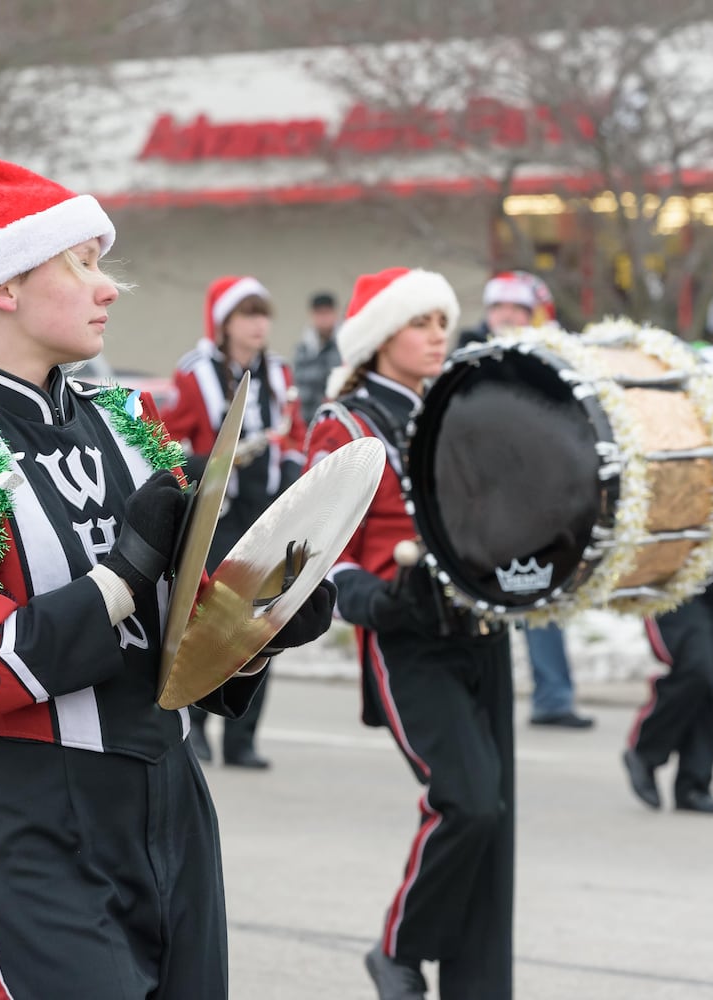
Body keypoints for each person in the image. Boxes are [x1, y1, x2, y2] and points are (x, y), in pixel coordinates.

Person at [0, 155, 335, 999]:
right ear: (2, 286)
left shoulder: (124, 423)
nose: (108, 286)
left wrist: (256, 627)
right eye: (81, 263)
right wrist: (122, 575)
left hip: (171, 796)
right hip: (40, 811)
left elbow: (177, 642)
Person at [307, 267, 514, 1000]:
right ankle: (398, 948)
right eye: (419, 323)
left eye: (441, 323)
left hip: (480, 629)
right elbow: (316, 548)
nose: (437, 336)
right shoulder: (344, 424)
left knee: (496, 821)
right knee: (467, 800)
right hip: (409, 636)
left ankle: (479, 984)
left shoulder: (454, 410)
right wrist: (373, 599)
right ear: (377, 337)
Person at [162, 275, 307, 769]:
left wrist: (289, 467)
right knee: (211, 621)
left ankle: (242, 739)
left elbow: (294, 435)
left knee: (265, 623)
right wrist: (209, 465)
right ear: (224, 323)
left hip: (265, 512)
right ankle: (197, 727)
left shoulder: (281, 374)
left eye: (263, 314)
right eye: (247, 314)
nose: (258, 325)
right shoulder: (194, 373)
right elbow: (167, 442)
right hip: (218, 516)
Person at [459, 271, 593, 729]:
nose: (509, 317)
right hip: (480, 501)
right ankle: (474, 700)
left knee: (536, 589)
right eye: (501, 308)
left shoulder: (553, 360)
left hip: (537, 501)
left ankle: (552, 696)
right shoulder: (469, 361)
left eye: (520, 309)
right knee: (480, 599)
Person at [624, 341, 713, 816]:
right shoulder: (656, 430)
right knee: (694, 668)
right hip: (670, 571)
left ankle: (694, 783)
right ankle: (644, 751)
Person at [293, 290, 341, 423]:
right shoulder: (303, 349)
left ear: (335, 313)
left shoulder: (344, 345)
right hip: (309, 420)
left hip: (337, 418)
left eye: (327, 312)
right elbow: (297, 383)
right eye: (319, 313)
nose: (324, 318)